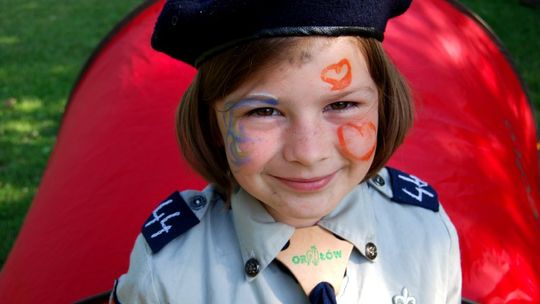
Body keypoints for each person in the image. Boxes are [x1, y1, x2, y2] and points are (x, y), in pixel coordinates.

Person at [111, 0, 462, 303]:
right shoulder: (168, 270)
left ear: (382, 105)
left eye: (341, 104)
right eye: (264, 112)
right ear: (213, 123)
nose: (308, 153)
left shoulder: (426, 232)